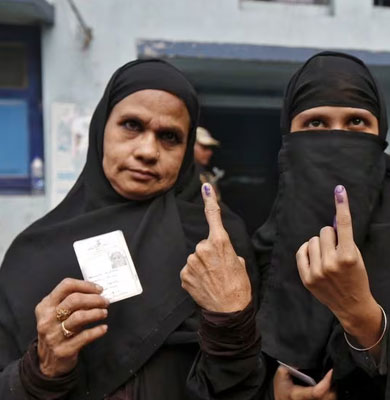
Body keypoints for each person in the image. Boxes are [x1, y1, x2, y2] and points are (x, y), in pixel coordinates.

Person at [0, 59, 261, 399]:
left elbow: (249, 379)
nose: (147, 151)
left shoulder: (218, 243)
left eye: (169, 137)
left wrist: (230, 322)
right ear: (100, 130)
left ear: (186, 152)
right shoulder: (33, 252)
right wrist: (42, 369)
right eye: (132, 126)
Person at [252, 51, 390, 399]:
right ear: (289, 134)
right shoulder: (262, 236)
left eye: (356, 123)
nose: (337, 139)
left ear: (381, 134)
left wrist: (361, 316)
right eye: (315, 123)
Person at [194, 126, 224, 199]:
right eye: (204, 147)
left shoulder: (207, 176)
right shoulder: (181, 175)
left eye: (210, 148)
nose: (210, 152)